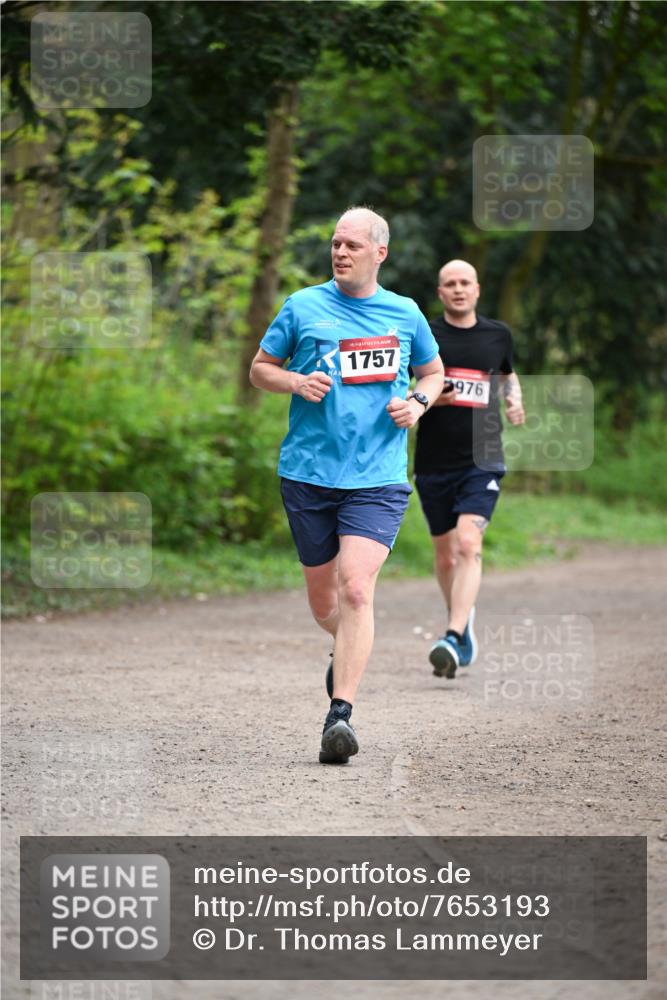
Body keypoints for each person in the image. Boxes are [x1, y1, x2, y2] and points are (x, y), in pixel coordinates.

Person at [249, 207, 444, 764]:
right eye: (335, 243)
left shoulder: (404, 313)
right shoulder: (302, 306)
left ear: (379, 253)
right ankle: (344, 647)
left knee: (356, 589)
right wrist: (293, 380)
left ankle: (340, 715)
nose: (340, 252)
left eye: (352, 245)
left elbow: (433, 373)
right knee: (325, 603)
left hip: (377, 476)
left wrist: (417, 403)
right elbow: (260, 368)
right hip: (308, 472)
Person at [414, 259, 525, 679]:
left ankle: (453, 633)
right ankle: (462, 625)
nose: (458, 289)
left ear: (477, 289)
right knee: (445, 557)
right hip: (433, 462)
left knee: (467, 542)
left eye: (465, 282)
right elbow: (404, 386)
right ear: (440, 292)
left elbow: (508, 375)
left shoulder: (498, 335)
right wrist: (427, 397)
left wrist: (514, 400)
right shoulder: (425, 336)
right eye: (450, 284)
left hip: (483, 459)